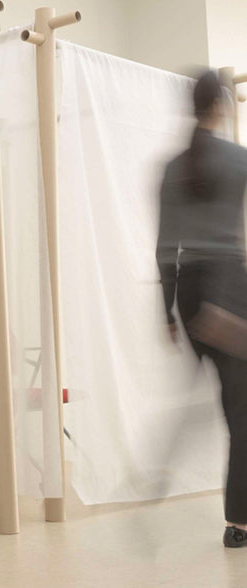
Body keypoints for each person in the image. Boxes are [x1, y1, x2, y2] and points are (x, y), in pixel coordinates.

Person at [156, 70, 247, 548]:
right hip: (228, 291)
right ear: (219, 107)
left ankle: (162, 470)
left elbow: (164, 248)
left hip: (189, 295)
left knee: (230, 406)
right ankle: (239, 524)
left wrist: (167, 312)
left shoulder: (173, 166)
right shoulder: (237, 159)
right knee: (242, 415)